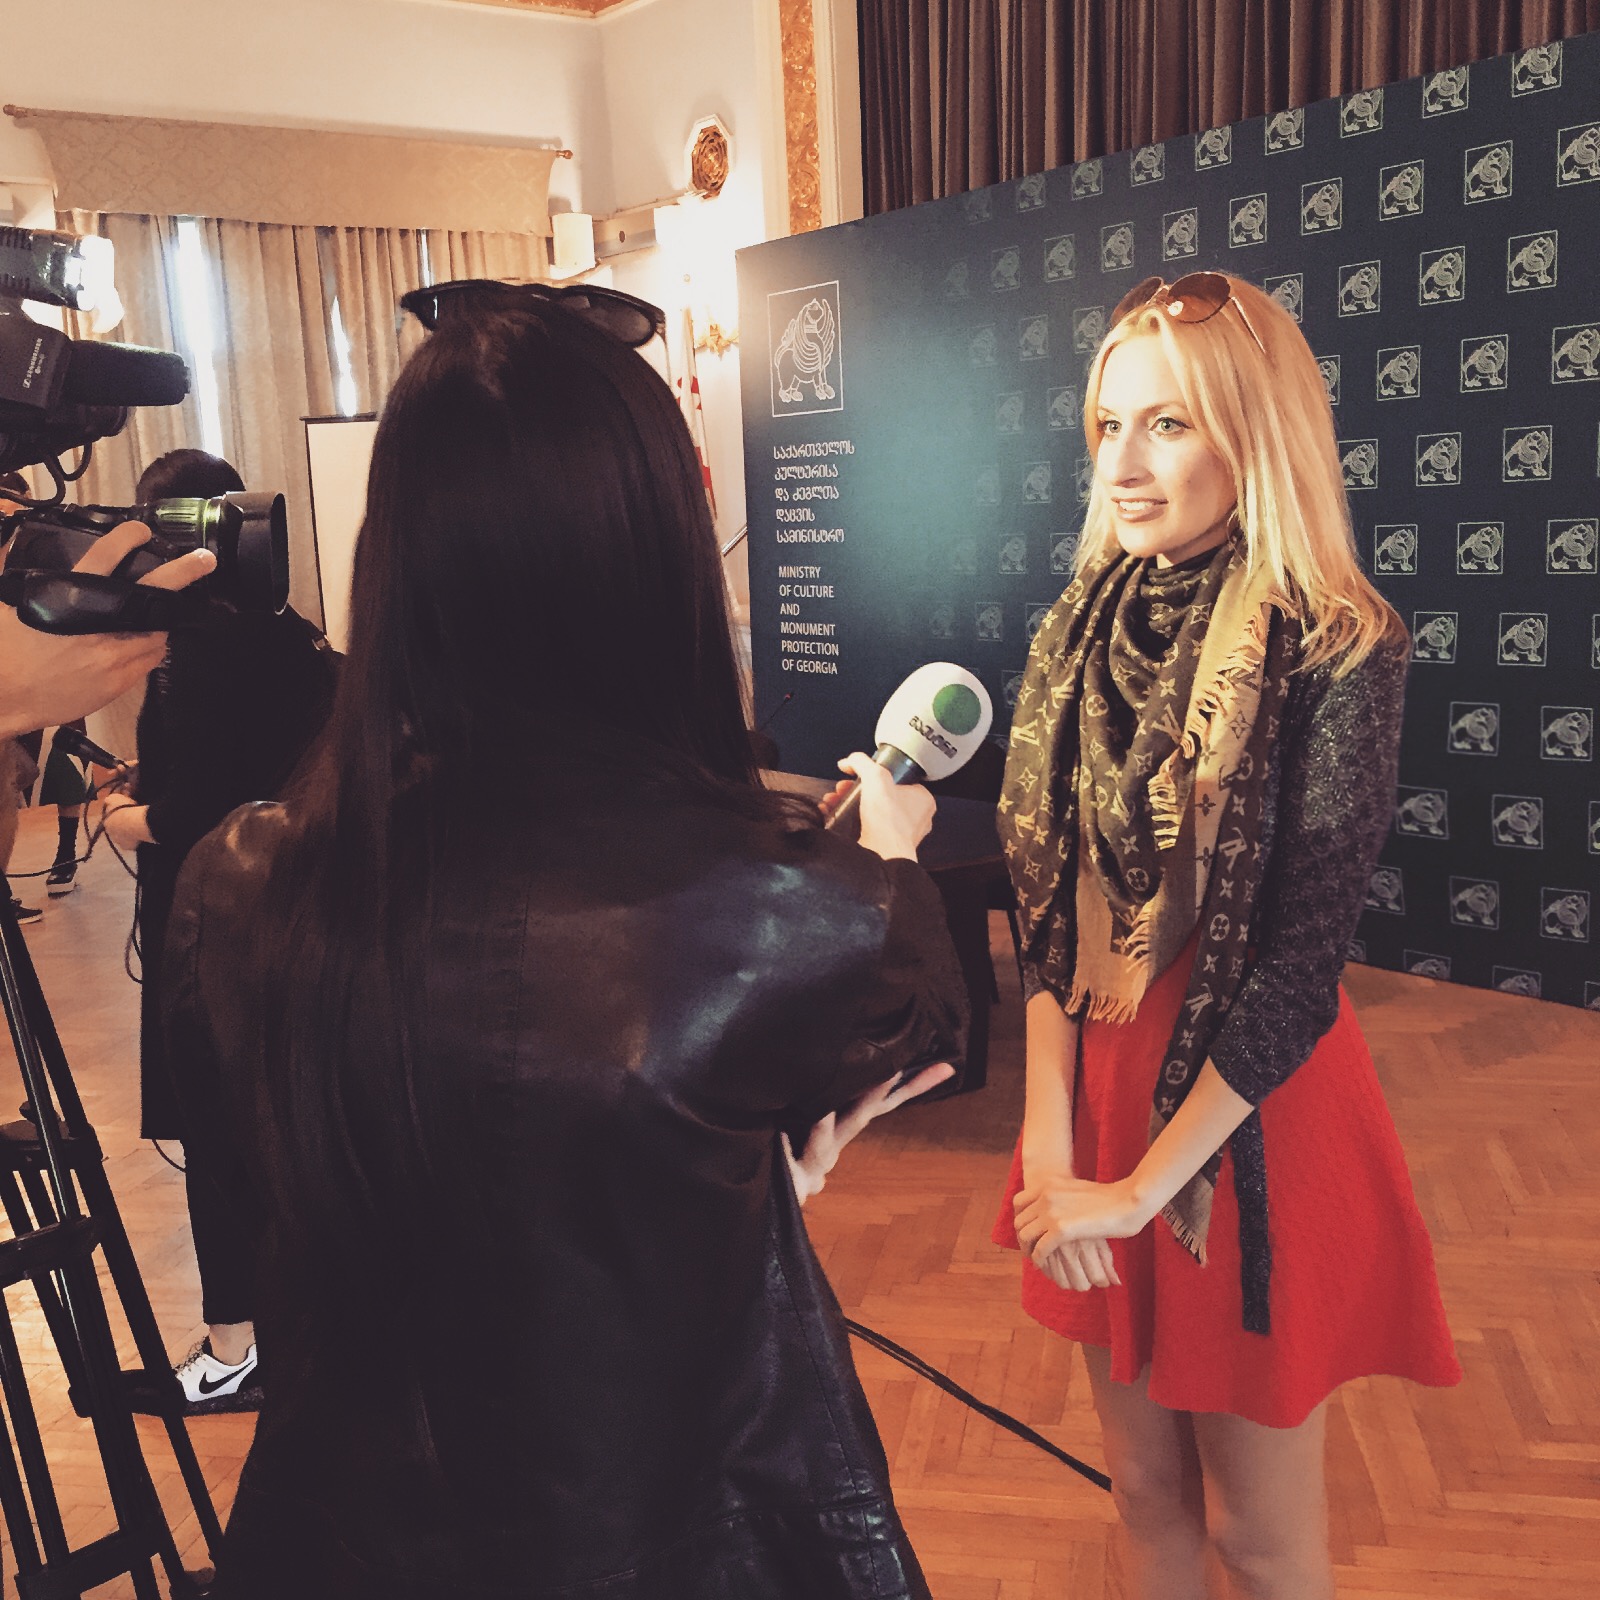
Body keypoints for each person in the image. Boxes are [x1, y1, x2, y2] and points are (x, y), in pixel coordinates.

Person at [164, 283, 967, 1599]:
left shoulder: (241, 883)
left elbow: (298, 1199)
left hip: (331, 1541)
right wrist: (889, 851)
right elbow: (922, 1006)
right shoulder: (775, 913)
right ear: (655, 557)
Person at [991, 272, 1459, 1600]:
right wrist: (1048, 1139)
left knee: (1257, 1538)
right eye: (1108, 425)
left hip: (1243, 1119)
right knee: (1145, 1495)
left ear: (1253, 432)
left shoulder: (1338, 642)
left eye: (1169, 424)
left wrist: (1140, 1190)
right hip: (1096, 1095)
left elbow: (1300, 969)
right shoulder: (1076, 631)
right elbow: (1046, 907)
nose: (1123, 467)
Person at [100, 448, 338, 1406]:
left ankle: (232, 1348)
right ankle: (308, 1329)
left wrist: (124, 818)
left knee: (218, 1137)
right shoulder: (298, 637)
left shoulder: (192, 656)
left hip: (210, 925)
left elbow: (196, 808)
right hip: (302, 920)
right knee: (285, 1130)